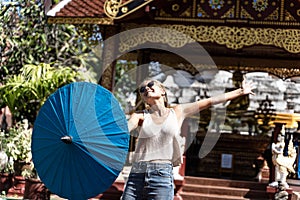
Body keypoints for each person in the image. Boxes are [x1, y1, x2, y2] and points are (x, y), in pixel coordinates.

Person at [121, 77, 255, 200]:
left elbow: (209, 101)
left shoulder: (178, 111)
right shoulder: (140, 116)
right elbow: (124, 130)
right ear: (143, 98)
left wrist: (240, 91)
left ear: (163, 91)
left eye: (150, 84)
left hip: (161, 173)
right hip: (137, 173)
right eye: (143, 89)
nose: (147, 88)